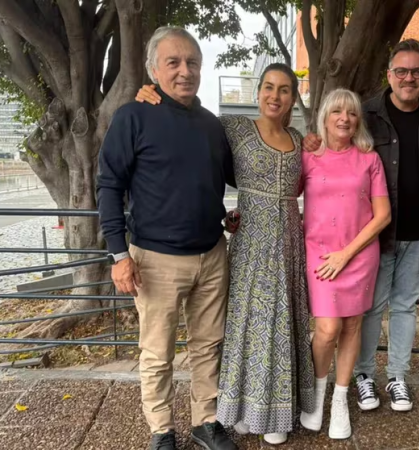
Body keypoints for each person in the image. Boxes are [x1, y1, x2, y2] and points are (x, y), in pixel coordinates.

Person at [134, 63, 315, 446]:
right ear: (257, 91)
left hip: (287, 241)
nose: (275, 95)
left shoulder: (300, 139)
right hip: (249, 241)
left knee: (282, 321)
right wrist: (149, 95)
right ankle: (244, 410)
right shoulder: (232, 127)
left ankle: (278, 410)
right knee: (249, 323)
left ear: (293, 97)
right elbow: (188, 118)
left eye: (284, 89)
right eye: (268, 86)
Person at [303, 39, 419, 413]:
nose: (410, 78)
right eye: (402, 71)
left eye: (418, 71)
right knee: (370, 310)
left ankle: (397, 377)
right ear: (389, 74)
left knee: (406, 307)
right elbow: (336, 148)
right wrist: (311, 141)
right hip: (375, 238)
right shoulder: (367, 114)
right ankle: (363, 375)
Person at [97, 27, 238, 450]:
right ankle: (161, 429)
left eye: (192, 62)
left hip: (212, 253)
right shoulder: (134, 116)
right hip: (154, 259)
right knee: (157, 354)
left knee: (208, 345)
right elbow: (108, 185)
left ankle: (205, 420)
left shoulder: (212, 125)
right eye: (173, 62)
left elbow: (228, 177)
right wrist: (119, 254)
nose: (184, 71)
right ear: (153, 69)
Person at [298, 89, 391, 439]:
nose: (345, 119)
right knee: (326, 330)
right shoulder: (308, 156)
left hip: (358, 254)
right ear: (324, 116)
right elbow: (282, 192)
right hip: (320, 256)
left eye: (351, 113)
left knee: (352, 327)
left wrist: (346, 254)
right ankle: (316, 396)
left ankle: (339, 400)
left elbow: (382, 215)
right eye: (337, 111)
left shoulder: (369, 159)